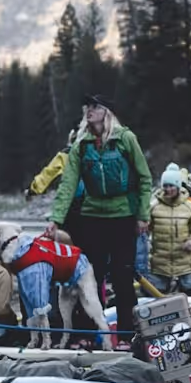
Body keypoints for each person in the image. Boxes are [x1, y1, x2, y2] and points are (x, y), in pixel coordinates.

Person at [52, 95, 153, 348]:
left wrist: (142, 216)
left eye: (95, 106)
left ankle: (128, 337)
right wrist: (56, 219)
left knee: (122, 277)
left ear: (107, 112)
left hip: (123, 216)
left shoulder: (125, 139)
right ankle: (87, 335)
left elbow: (144, 178)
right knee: (90, 277)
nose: (89, 110)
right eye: (87, 106)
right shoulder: (81, 145)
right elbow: (68, 184)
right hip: (93, 216)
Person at [147, 164, 191, 292]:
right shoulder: (153, 207)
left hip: (186, 266)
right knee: (156, 302)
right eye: (165, 186)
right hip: (159, 266)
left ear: (178, 186)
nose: (168, 189)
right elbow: (143, 231)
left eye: (171, 186)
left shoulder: (190, 208)